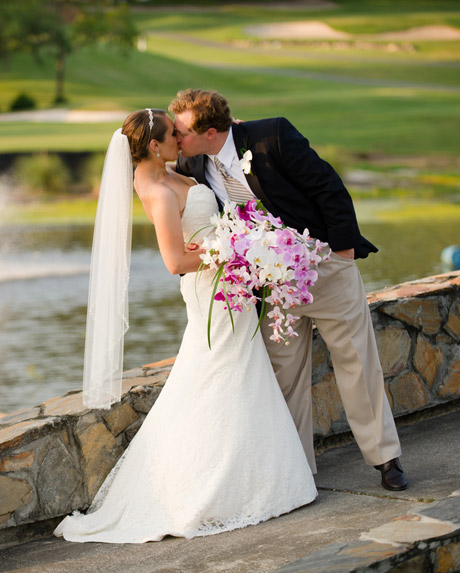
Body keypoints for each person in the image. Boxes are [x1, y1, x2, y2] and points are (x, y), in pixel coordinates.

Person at [54, 109, 317, 543]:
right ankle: (197, 490)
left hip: (228, 286)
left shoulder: (173, 171)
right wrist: (239, 254)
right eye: (173, 135)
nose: (181, 138)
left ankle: (248, 480)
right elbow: (175, 261)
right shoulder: (156, 189)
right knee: (216, 374)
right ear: (154, 146)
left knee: (237, 374)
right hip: (210, 289)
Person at [169, 89, 407, 491]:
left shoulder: (271, 136)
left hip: (324, 267)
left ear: (211, 131)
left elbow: (328, 186)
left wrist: (342, 252)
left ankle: (386, 459)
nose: (176, 139)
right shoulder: (191, 161)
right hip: (271, 283)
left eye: (182, 132)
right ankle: (296, 473)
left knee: (357, 363)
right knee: (284, 377)